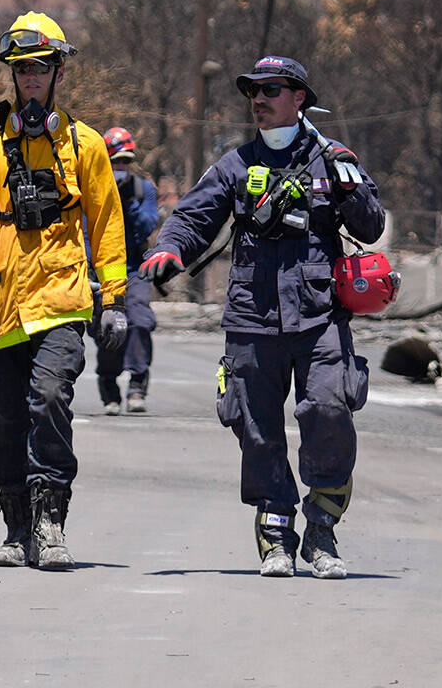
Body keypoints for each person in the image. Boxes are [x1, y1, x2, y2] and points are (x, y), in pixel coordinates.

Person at [138, 55, 384, 579]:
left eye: (272, 89)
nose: (259, 99)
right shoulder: (235, 163)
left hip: (320, 317)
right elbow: (194, 216)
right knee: (256, 427)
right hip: (252, 318)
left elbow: (370, 226)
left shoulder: (333, 158)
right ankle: (275, 533)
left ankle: (322, 528)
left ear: (299, 99)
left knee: (328, 408)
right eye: (253, 90)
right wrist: (171, 249)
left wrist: (349, 184)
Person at [0, 12, 128, 570]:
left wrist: (112, 299)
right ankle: (16, 527)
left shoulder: (84, 145)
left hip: (60, 299)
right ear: (11, 76)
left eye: (41, 68)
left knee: (48, 400)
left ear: (58, 72)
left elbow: (107, 223)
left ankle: (50, 523)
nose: (32, 78)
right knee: (7, 420)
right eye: (23, 69)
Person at [89, 127, 159, 414]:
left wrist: (127, 202)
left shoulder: (144, 190)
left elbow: (146, 226)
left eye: (125, 162)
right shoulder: (91, 189)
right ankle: (109, 388)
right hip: (100, 272)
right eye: (115, 161)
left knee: (140, 321)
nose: (120, 167)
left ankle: (137, 386)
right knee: (107, 328)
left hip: (133, 269)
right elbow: (82, 231)